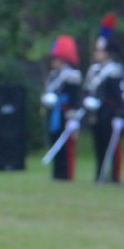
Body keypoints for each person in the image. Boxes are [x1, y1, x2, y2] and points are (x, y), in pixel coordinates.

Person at [82, 15, 124, 184]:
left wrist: (119, 114)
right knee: (98, 143)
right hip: (96, 112)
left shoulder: (114, 70)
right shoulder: (94, 70)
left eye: (99, 51)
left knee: (111, 144)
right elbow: (88, 90)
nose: (96, 53)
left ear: (107, 53)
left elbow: (117, 95)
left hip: (109, 111)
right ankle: (100, 173)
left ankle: (114, 176)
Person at [42, 34, 83, 181]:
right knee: (54, 142)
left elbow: (75, 99)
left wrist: (74, 118)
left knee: (66, 146)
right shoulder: (54, 75)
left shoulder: (72, 76)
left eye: (56, 59)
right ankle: (57, 173)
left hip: (66, 114)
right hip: (54, 114)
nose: (54, 62)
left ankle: (66, 174)